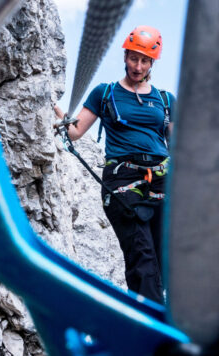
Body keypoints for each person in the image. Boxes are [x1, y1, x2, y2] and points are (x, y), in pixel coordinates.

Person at [53, 25, 175, 304]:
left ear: (152, 63)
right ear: (125, 56)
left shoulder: (166, 101)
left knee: (162, 263)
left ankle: (149, 315)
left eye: (145, 60)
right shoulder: (104, 93)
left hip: (162, 179)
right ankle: (153, 330)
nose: (138, 65)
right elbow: (75, 132)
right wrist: (61, 119)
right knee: (142, 256)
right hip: (123, 179)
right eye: (134, 58)